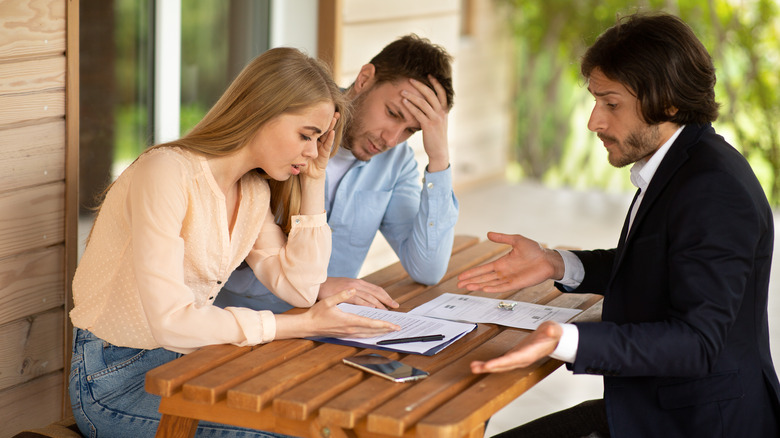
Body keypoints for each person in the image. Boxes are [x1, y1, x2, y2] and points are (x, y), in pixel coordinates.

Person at [457, 12, 780, 438]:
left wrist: (567, 340)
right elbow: (659, 266)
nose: (594, 121)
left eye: (611, 104)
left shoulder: (713, 190)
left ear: (668, 102)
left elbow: (697, 343)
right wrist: (558, 264)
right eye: (595, 101)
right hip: (655, 409)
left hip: (694, 424)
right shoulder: (684, 164)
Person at [68, 47, 399, 438]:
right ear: (262, 111)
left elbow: (301, 287)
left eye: (319, 140)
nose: (313, 151)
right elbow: (172, 323)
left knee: (333, 420)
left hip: (192, 363)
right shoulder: (167, 172)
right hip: (115, 379)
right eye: (306, 136)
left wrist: (314, 179)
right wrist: (300, 326)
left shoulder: (253, 191)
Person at [215, 34, 458, 313]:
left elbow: (427, 269)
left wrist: (439, 158)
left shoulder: (396, 161)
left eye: (410, 131)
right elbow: (225, 261)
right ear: (365, 78)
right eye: (392, 113)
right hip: (239, 324)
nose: (392, 139)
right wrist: (318, 286)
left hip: (328, 330)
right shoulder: (287, 132)